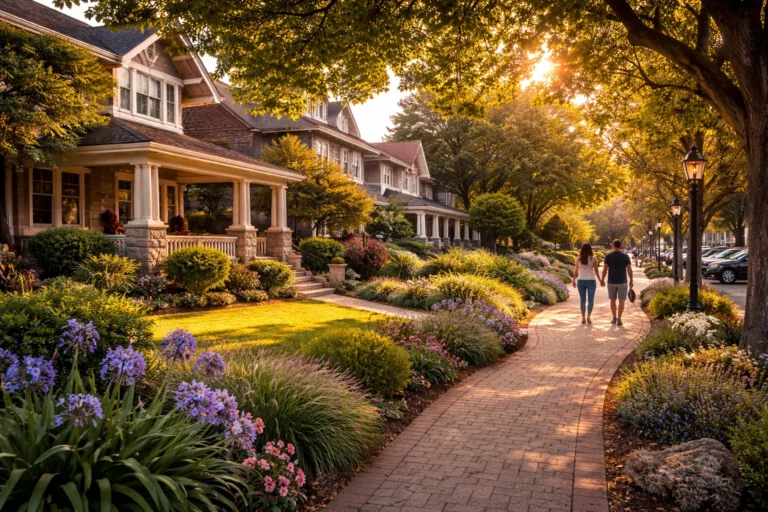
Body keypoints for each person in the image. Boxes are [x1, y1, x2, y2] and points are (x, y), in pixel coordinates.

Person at [601, 239, 633, 326]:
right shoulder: (625, 257)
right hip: (622, 281)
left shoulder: (608, 256)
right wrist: (631, 280)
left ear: (613, 246)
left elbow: (605, 269)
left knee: (612, 300)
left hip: (611, 281)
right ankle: (619, 318)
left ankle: (614, 318)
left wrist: (602, 279)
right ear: (621, 246)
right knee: (621, 301)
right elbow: (629, 269)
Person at [572, 243, 601, 324]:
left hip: (581, 280)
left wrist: (573, 280)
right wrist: (600, 280)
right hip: (591, 280)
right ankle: (588, 317)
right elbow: (596, 271)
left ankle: (583, 318)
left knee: (582, 300)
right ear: (590, 249)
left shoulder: (578, 259)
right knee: (591, 300)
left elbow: (576, 270)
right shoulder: (593, 258)